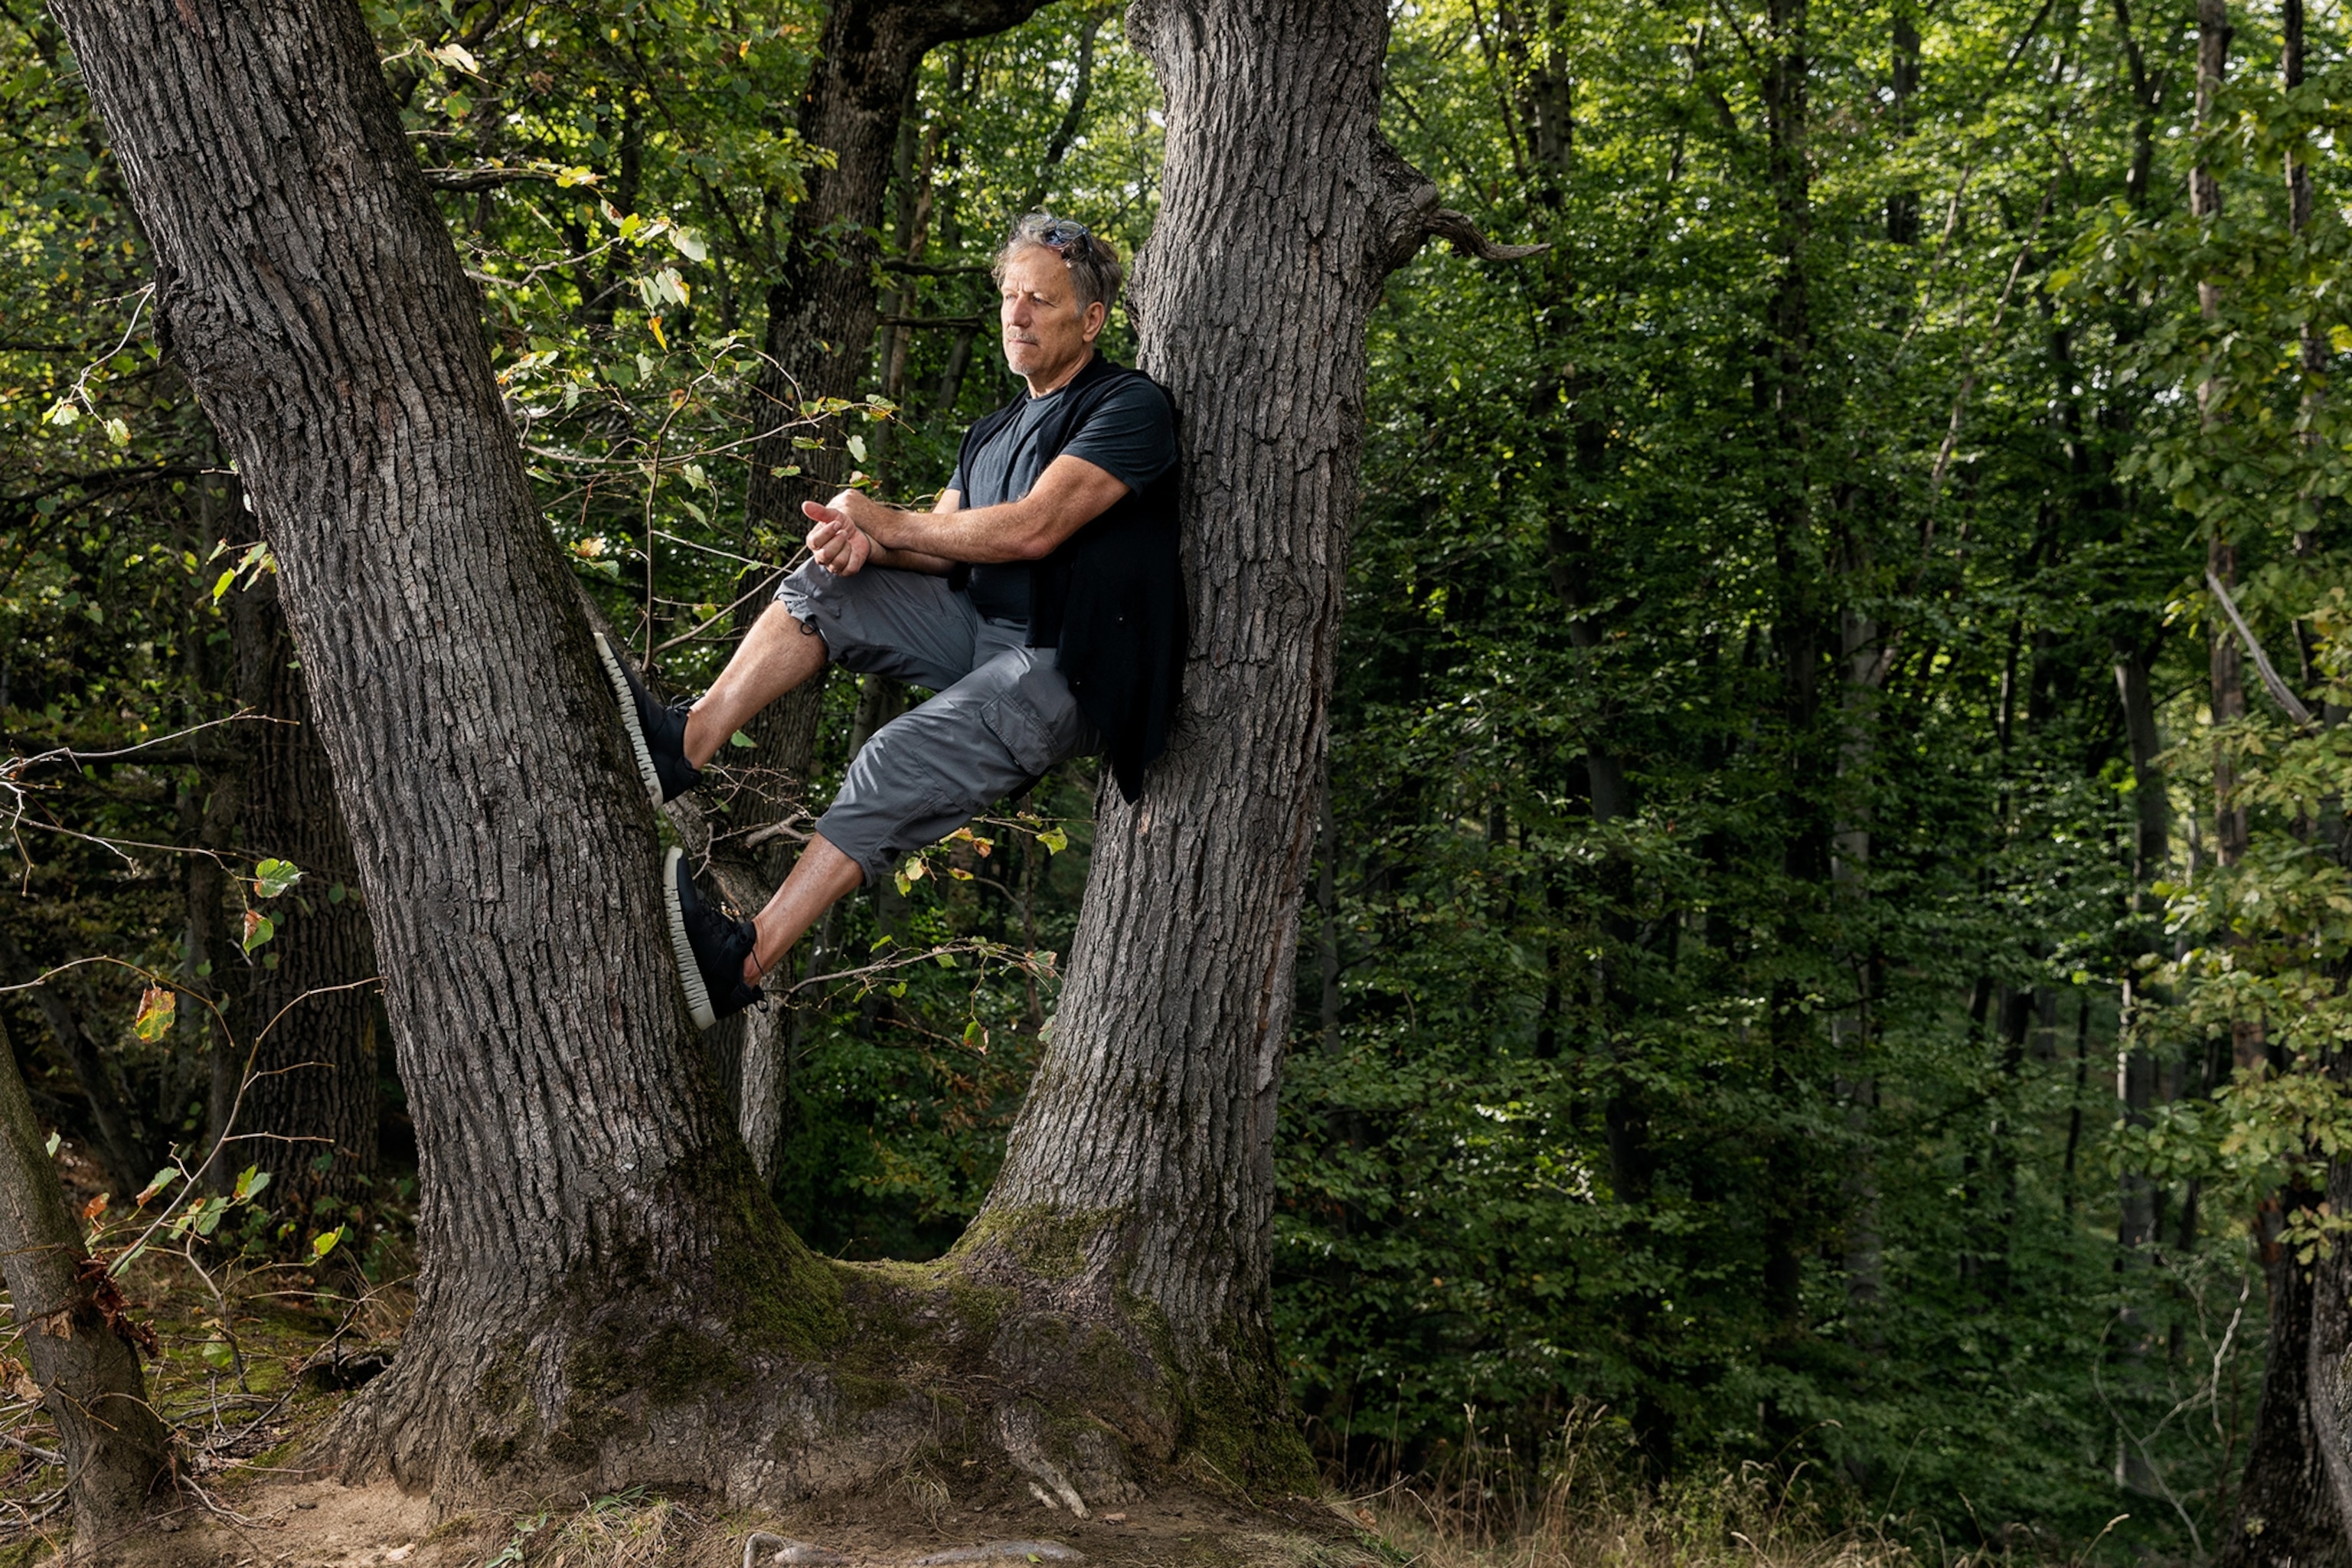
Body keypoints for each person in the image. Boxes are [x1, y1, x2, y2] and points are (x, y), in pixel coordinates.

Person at [594, 213, 1185, 1028]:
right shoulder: (992, 431)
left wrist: (887, 517)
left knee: (893, 754)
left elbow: (1034, 526)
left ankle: (737, 962)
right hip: (980, 632)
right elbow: (941, 553)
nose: (1015, 314)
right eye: (1010, 296)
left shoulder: (1128, 404)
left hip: (1065, 669)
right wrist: (862, 540)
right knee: (826, 585)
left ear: (1089, 319)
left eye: (1039, 301)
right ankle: (680, 746)